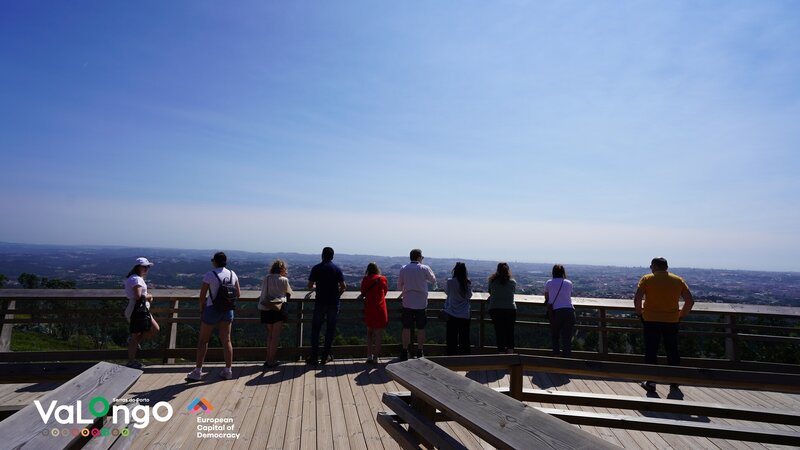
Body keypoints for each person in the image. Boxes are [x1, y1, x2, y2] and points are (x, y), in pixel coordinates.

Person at [634, 257, 694, 393]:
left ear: (655, 266)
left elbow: (637, 299)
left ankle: (651, 382)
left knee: (651, 351)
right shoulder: (678, 280)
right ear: (666, 267)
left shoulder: (647, 279)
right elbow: (690, 301)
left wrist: (639, 314)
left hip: (650, 320)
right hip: (671, 321)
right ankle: (674, 380)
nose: (650, 268)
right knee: (672, 351)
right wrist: (681, 315)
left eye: (651, 266)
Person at [186, 252, 240, 381]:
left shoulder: (210, 275)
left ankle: (198, 371)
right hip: (227, 310)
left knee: (203, 341)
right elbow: (238, 293)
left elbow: (202, 296)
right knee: (226, 340)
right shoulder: (232, 274)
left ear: (215, 262)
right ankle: (228, 370)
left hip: (212, 309)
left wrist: (201, 310)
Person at [307, 247, 346, 366]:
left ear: (322, 255)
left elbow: (310, 285)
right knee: (330, 330)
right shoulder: (337, 269)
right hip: (333, 303)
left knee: (316, 330)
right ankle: (325, 356)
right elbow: (343, 286)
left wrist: (316, 287)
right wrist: (337, 295)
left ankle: (314, 357)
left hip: (320, 302)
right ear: (332, 256)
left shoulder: (316, 268)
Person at [397, 248, 436, 360]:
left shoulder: (404, 268)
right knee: (421, 328)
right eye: (422, 257)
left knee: (406, 328)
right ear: (419, 257)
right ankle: (420, 351)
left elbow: (399, 286)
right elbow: (433, 280)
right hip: (421, 303)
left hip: (407, 302)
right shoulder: (424, 268)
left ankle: (405, 351)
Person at [123, 257, 160, 369]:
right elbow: (138, 296)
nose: (147, 268)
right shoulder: (136, 280)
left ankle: (132, 343)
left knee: (151, 330)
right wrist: (149, 296)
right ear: (138, 267)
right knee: (149, 331)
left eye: (148, 267)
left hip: (140, 310)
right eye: (144, 267)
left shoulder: (134, 278)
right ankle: (131, 361)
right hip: (137, 310)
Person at [258, 259, 293, 368]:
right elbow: (289, 293)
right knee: (275, 336)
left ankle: (267, 359)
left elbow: (263, 292)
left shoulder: (267, 278)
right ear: (282, 269)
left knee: (270, 335)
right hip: (279, 308)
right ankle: (271, 360)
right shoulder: (284, 280)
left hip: (267, 307)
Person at [544, 264, 576, 357]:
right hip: (569, 311)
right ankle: (566, 359)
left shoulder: (549, 283)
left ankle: (556, 357)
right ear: (563, 272)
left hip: (556, 312)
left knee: (555, 336)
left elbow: (547, 297)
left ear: (553, 272)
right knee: (567, 338)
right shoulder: (569, 283)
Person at [360, 262, 389, 364]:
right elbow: (385, 292)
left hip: (370, 309)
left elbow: (362, 292)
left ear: (368, 270)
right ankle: (376, 357)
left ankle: (369, 356)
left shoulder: (365, 279)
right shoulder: (382, 279)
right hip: (380, 309)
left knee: (369, 333)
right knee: (378, 334)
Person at [443, 262, 473, 356]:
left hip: (451, 313)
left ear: (455, 270)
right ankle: (464, 357)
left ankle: (451, 357)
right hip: (464, 314)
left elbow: (447, 292)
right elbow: (469, 296)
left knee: (451, 338)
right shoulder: (467, 282)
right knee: (464, 338)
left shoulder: (450, 282)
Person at [488, 262, 517, 354]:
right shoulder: (512, 282)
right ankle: (510, 353)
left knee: (499, 332)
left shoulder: (492, 281)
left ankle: (501, 353)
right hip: (510, 309)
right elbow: (512, 292)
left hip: (495, 308)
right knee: (510, 332)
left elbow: (490, 292)